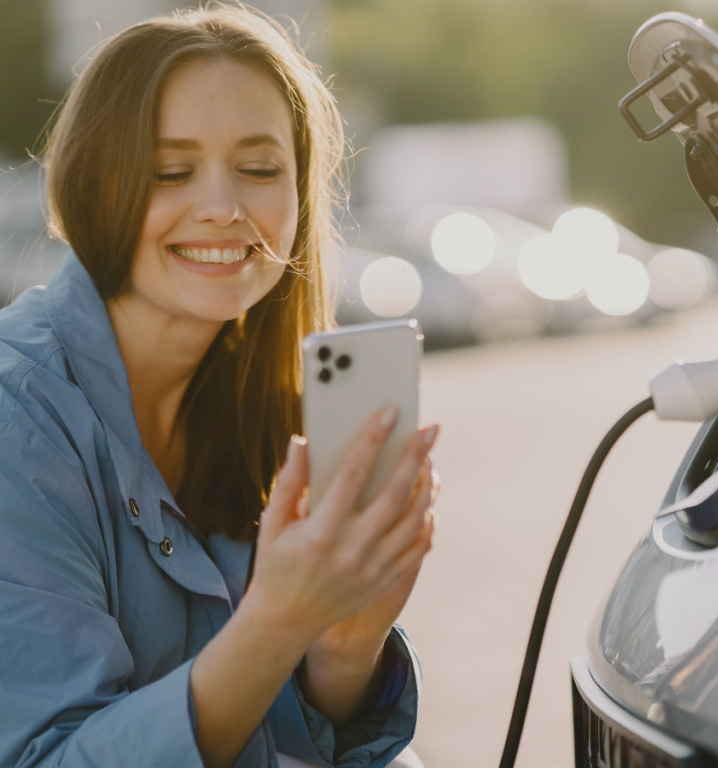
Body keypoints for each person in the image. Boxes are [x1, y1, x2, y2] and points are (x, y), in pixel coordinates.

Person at [0, 5, 438, 768]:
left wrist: (344, 644)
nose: (224, 207)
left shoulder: (263, 396)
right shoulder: (17, 417)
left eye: (260, 169)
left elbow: (290, 739)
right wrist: (276, 622)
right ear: (91, 184)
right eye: (171, 171)